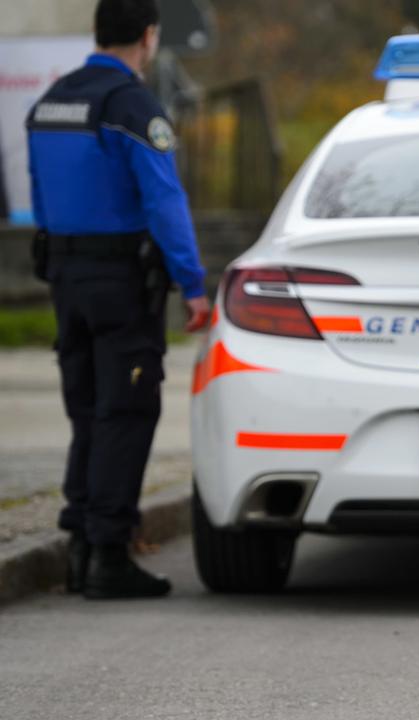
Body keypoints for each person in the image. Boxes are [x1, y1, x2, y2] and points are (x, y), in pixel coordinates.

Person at [26, 0, 209, 599]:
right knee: (125, 412)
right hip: (119, 283)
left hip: (65, 277)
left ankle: (80, 546)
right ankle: (108, 556)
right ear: (149, 38)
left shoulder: (51, 102)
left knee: (86, 410)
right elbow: (164, 201)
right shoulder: (132, 105)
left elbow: (41, 194)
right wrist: (193, 284)